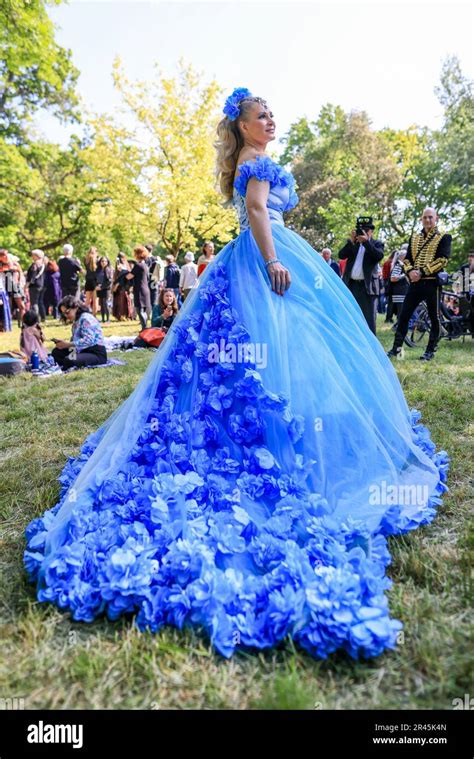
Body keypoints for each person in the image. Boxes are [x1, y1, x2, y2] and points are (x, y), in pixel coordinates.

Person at [25, 88, 449, 663]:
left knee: (266, 353)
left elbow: (258, 208)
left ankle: (277, 426)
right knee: (269, 347)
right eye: (260, 115)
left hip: (259, 254)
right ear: (244, 127)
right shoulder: (257, 164)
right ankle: (274, 437)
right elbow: (255, 211)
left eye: (272, 113)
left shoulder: (256, 161)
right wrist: (274, 260)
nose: (270, 119)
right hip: (262, 257)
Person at [388, 208, 452, 361]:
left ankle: (430, 351)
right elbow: (408, 259)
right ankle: (396, 349)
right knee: (403, 316)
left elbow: (443, 260)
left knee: (434, 317)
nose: (428, 220)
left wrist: (421, 272)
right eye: (425, 217)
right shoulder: (414, 238)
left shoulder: (444, 237)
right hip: (415, 284)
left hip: (431, 284)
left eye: (430, 217)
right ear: (421, 219)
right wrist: (410, 271)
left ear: (436, 218)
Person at [338, 218, 384, 334]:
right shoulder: (354, 244)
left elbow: (378, 256)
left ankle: (371, 348)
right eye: (361, 230)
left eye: (366, 230)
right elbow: (341, 255)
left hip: (367, 288)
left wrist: (366, 242)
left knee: (369, 320)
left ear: (371, 232)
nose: (363, 232)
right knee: (350, 316)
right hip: (351, 285)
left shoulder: (376, 244)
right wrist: (351, 242)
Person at [50, 296, 107, 370]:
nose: (66, 316)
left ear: (76, 307)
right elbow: (75, 342)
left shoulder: (86, 318)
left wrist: (68, 344)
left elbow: (89, 340)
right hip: (81, 351)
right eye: (63, 314)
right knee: (56, 352)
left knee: (69, 360)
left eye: (67, 312)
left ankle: (68, 364)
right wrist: (64, 345)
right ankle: (69, 364)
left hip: (95, 353)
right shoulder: (76, 321)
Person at [126, 245, 152, 330]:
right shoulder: (145, 266)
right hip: (146, 289)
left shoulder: (138, 265)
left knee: (139, 311)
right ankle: (145, 328)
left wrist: (126, 270)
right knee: (143, 311)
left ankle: (144, 328)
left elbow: (129, 276)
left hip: (139, 289)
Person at [389, 246, 409, 324]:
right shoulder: (399, 266)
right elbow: (393, 278)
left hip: (401, 292)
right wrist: (404, 275)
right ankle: (397, 326)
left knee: (402, 312)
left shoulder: (402, 266)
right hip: (399, 292)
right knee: (401, 312)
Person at [26, 249, 46, 322]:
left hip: (34, 285)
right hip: (41, 284)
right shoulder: (43, 264)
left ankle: (36, 319)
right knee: (40, 302)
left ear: (36, 256)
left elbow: (32, 276)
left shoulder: (35, 264)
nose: (32, 256)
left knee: (34, 303)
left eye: (33, 255)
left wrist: (26, 285)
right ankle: (43, 317)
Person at [112, 253, 134, 321]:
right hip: (118, 288)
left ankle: (126, 315)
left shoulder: (126, 267)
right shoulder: (118, 267)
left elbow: (128, 276)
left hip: (125, 286)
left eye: (122, 257)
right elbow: (115, 278)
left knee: (125, 302)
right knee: (119, 302)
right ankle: (119, 315)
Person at [96, 256, 114, 323]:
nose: (103, 262)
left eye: (105, 261)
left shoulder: (108, 269)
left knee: (106, 303)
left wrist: (102, 287)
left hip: (106, 289)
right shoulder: (98, 270)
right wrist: (96, 286)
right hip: (99, 288)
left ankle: (108, 319)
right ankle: (103, 318)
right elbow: (95, 279)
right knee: (101, 304)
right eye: (102, 261)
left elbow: (109, 281)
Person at [84, 247, 99, 316]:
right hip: (95, 282)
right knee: (95, 300)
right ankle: (94, 316)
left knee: (87, 300)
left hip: (88, 281)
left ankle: (85, 315)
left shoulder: (86, 260)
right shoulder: (98, 261)